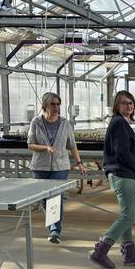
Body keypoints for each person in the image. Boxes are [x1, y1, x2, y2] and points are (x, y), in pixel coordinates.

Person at [89, 90, 135, 269]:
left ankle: (129, 253)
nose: (129, 106)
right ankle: (101, 249)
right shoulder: (119, 124)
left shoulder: (120, 123)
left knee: (126, 213)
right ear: (117, 105)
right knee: (128, 216)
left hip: (120, 173)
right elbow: (121, 152)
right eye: (124, 103)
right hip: (123, 174)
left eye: (131, 103)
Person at [27, 92, 86, 244]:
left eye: (58, 104)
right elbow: (30, 144)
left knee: (56, 197)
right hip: (40, 166)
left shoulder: (65, 123)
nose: (56, 107)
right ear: (45, 105)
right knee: (44, 199)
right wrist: (45, 148)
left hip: (60, 166)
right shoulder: (36, 122)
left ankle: (54, 231)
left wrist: (79, 163)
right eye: (52, 104)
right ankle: (53, 223)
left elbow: (72, 145)